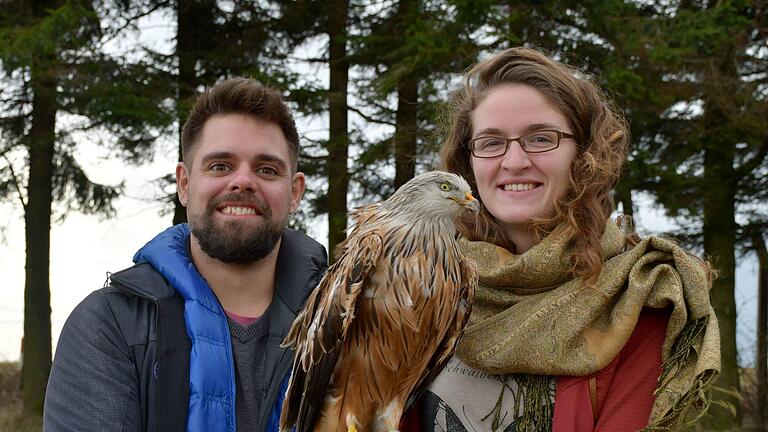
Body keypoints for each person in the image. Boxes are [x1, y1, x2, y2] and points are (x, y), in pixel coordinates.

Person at [402, 47, 720, 431]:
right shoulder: (425, 292)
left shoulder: (635, 296)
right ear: (467, 162)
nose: (514, 161)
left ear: (585, 154)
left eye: (540, 138)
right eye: (490, 142)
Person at [43, 78, 328, 432]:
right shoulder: (109, 325)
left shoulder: (351, 326)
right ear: (184, 183)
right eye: (220, 166)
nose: (242, 181)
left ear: (295, 191)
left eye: (266, 169)